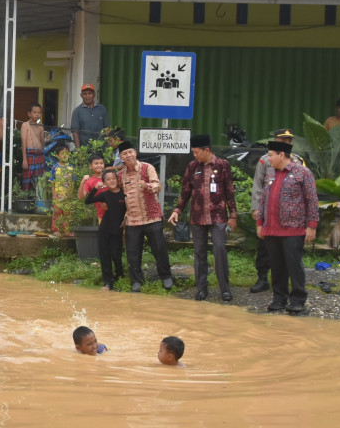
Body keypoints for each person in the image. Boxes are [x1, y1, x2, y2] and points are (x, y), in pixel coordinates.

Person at [168, 134, 237, 302]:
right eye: (193, 152)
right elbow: (185, 191)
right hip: (197, 217)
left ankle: (225, 289)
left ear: (207, 150)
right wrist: (177, 209)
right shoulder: (192, 166)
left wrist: (233, 215)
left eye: (197, 152)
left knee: (219, 250)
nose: (195, 155)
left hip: (218, 216)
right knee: (199, 253)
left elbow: (229, 191)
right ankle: (201, 288)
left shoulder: (222, 165)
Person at [255, 138, 319, 315]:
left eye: (270, 155)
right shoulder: (271, 174)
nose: (269, 159)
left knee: (293, 264)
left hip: (294, 228)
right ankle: (279, 298)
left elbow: (312, 200)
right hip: (271, 228)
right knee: (276, 265)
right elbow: (263, 200)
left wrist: (311, 226)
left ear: (281, 155)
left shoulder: (303, 173)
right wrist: (260, 223)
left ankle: (298, 299)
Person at [249, 129, 301, 294]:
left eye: (288, 141)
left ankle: (292, 282)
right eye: (282, 140)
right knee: (264, 246)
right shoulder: (265, 161)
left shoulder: (298, 161)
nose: (286, 143)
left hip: (290, 213)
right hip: (268, 211)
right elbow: (258, 185)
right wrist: (256, 208)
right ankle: (263, 277)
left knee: (289, 249)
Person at [118, 140, 174, 292]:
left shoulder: (147, 168)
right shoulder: (120, 175)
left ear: (135, 152)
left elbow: (158, 186)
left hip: (152, 217)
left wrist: (147, 186)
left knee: (159, 249)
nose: (128, 155)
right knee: (133, 252)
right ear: (121, 157)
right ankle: (137, 280)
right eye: (125, 153)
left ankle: (166, 276)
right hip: (132, 220)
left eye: (130, 152)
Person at [85, 169, 127, 289]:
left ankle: (120, 275)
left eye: (114, 178)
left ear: (118, 180)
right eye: (108, 179)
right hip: (104, 229)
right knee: (105, 256)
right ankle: (108, 282)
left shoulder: (124, 194)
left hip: (117, 230)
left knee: (116, 255)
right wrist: (95, 188)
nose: (112, 181)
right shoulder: (104, 194)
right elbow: (88, 201)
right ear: (104, 182)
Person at [20, 103, 46, 192]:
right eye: (34, 112)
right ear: (29, 114)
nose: (37, 114)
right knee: (27, 179)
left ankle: (38, 200)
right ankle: (27, 198)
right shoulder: (25, 125)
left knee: (39, 179)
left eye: (39, 112)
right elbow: (23, 142)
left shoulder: (40, 127)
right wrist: (24, 159)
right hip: (29, 155)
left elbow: (42, 142)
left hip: (39, 155)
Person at [50, 145, 76, 234]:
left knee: (67, 214)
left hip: (68, 196)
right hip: (58, 196)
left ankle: (67, 230)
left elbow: (73, 182)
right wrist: (53, 195)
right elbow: (52, 183)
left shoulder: (71, 167)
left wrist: (72, 194)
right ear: (57, 155)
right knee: (57, 213)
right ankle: (56, 230)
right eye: (62, 153)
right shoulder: (55, 167)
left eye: (67, 153)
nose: (65, 155)